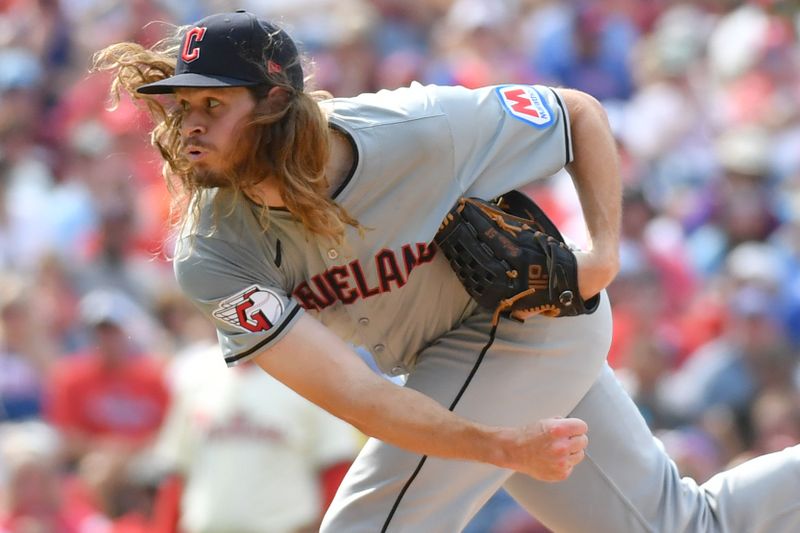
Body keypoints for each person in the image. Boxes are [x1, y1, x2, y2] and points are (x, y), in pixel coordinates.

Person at [93, 10, 800, 532]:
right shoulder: (214, 248)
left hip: (530, 325)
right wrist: (499, 446)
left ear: (275, 101)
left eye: (213, 103)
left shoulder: (415, 129)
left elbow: (576, 114)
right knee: (680, 525)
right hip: (450, 361)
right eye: (183, 105)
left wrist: (605, 251)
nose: (188, 123)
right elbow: (358, 394)